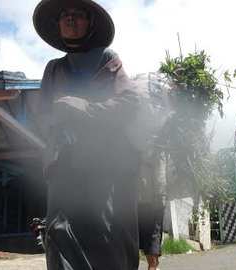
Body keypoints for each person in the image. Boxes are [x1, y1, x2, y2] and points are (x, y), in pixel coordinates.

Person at [30, 0, 163, 269]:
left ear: (89, 23)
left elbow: (130, 102)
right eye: (64, 16)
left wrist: (83, 109)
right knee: (60, 235)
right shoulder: (53, 69)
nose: (69, 20)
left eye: (77, 15)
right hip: (65, 170)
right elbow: (42, 116)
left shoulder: (107, 59)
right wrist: (58, 124)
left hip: (107, 171)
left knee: (108, 239)